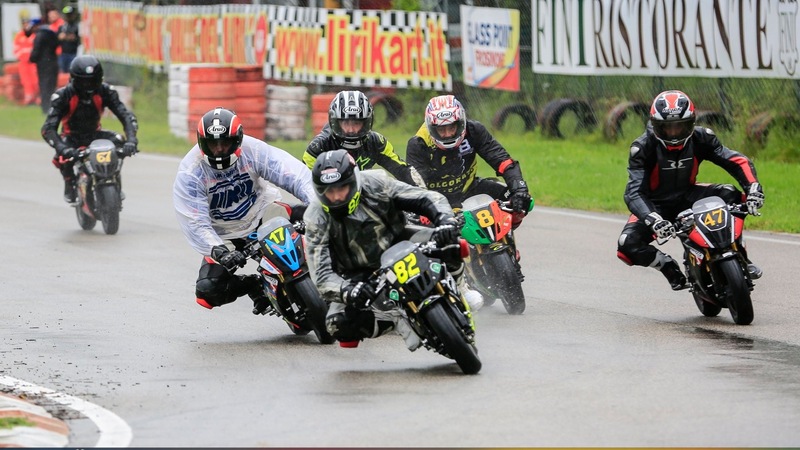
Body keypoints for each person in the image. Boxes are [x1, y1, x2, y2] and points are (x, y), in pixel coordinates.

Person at [304, 149, 466, 349]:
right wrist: (347, 291)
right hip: (359, 273)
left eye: (342, 188)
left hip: (401, 241)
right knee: (336, 325)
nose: (336, 197)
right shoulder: (315, 217)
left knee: (451, 241)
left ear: (354, 181)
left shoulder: (376, 182)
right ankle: (395, 318)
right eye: (329, 191)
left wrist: (445, 220)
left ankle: (459, 289)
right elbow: (320, 275)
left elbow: (424, 197)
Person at [616, 90, 765, 290]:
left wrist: (753, 188)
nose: (674, 134)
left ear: (692, 122)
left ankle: (740, 256)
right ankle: (668, 266)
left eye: (680, 126)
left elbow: (736, 161)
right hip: (656, 206)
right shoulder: (642, 147)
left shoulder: (702, 137)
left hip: (689, 194)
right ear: (655, 125)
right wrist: (653, 219)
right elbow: (634, 192)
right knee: (627, 245)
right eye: (667, 128)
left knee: (731, 194)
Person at [174, 107, 315, 315]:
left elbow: (291, 173)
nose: (220, 149)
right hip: (224, 236)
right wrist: (218, 251)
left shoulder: (253, 150)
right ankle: (254, 286)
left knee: (327, 221)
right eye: (213, 144)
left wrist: (316, 203)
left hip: (263, 213)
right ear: (201, 142)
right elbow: (194, 221)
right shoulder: (190, 172)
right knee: (207, 291)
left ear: (238, 139)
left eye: (225, 143)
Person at [405, 94, 534, 308]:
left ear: (461, 122)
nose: (447, 134)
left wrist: (519, 188)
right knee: (421, 227)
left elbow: (503, 161)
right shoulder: (418, 144)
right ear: (431, 127)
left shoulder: (475, 131)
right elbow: (416, 186)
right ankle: (457, 275)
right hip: (439, 198)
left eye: (452, 128)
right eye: (441, 129)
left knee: (523, 201)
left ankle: (509, 244)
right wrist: (427, 212)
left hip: (470, 186)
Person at [41, 55, 139, 204]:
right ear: (73, 79)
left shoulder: (106, 91)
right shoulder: (62, 96)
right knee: (63, 154)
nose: (88, 86)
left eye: (92, 81)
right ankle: (70, 182)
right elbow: (48, 128)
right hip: (71, 136)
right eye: (83, 81)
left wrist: (131, 140)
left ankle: (114, 179)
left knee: (119, 141)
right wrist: (62, 147)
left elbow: (126, 116)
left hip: (95, 134)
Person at [303, 90, 425, 187]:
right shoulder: (318, 146)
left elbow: (403, 170)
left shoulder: (376, 142)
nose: (351, 130)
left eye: (356, 123)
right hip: (331, 201)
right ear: (335, 122)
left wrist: (422, 197)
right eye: (346, 123)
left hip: (366, 199)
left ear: (367, 122)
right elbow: (303, 183)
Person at [28, 17, 59, 113]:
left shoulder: (40, 35)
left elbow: (36, 50)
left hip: (43, 65)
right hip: (53, 62)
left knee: (44, 86)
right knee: (51, 86)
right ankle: (53, 107)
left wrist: (32, 58)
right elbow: (57, 44)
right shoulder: (51, 32)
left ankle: (45, 107)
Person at [13, 14, 39, 106]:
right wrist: (22, 57)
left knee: (35, 79)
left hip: (33, 62)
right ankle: (29, 98)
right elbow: (16, 49)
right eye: (24, 23)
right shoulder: (19, 35)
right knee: (26, 80)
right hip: (23, 62)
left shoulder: (35, 35)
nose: (26, 25)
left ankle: (37, 98)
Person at [57, 5, 80, 73]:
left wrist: (66, 37)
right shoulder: (63, 26)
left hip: (73, 53)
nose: (68, 17)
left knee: (72, 71)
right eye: (67, 15)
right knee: (63, 72)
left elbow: (74, 38)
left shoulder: (76, 26)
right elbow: (58, 37)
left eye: (70, 15)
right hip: (63, 53)